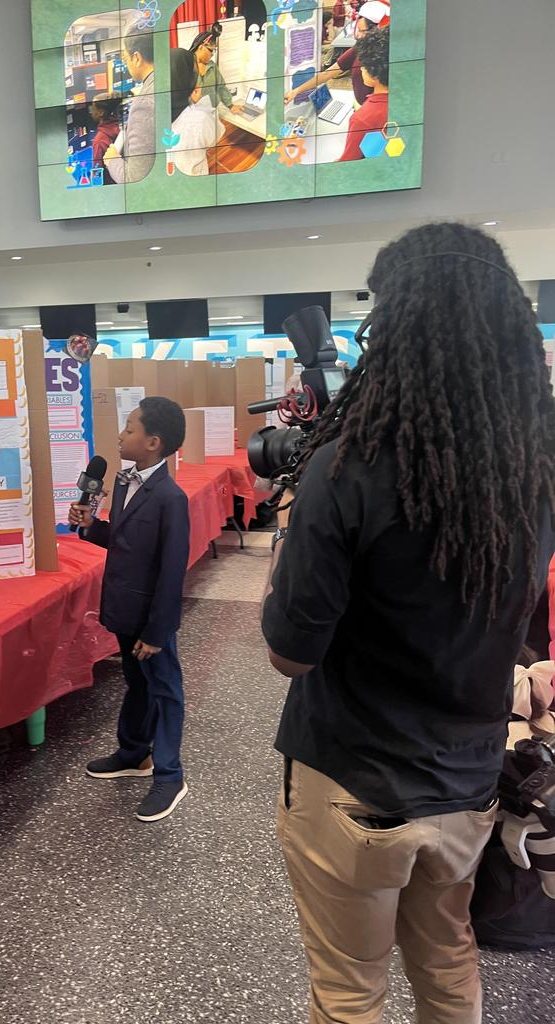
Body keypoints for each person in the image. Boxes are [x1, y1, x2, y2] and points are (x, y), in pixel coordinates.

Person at [261, 222, 555, 1023]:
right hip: (467, 783)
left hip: (353, 784)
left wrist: (290, 546)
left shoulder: (344, 467)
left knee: (349, 991)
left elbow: (291, 652)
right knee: (449, 961)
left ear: (393, 327)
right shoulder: (534, 475)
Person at [69, 397, 190, 823]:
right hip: (123, 607)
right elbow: (123, 542)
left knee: (165, 690)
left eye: (130, 428)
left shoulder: (171, 498)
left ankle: (170, 775)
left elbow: (172, 570)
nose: (121, 435)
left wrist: (157, 632)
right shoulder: (122, 483)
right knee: (137, 682)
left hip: (151, 618)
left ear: (153, 442)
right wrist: (92, 528)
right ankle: (134, 753)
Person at [284, 0, 390, 108]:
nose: (358, 35)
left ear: (379, 30)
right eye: (358, 29)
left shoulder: (386, 57)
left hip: (371, 110)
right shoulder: (360, 47)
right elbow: (327, 74)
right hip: (360, 106)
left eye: (363, 31)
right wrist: (297, 91)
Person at [104, 29, 155, 185]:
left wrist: (112, 159)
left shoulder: (143, 104)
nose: (126, 65)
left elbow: (134, 178)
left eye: (126, 58)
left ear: (137, 58)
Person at [169, 47, 223, 177]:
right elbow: (215, 136)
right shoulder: (199, 119)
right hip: (194, 177)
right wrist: (199, 105)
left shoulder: (150, 109)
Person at [338, 26, 389, 161]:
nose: (360, 69)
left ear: (375, 74)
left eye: (363, 66)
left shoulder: (362, 119)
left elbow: (347, 164)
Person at [188, 23, 244, 115]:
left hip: (211, 114)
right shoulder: (186, 66)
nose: (212, 54)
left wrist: (230, 105)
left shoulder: (212, 67)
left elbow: (221, 87)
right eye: (211, 50)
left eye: (214, 50)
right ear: (201, 47)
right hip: (191, 116)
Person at [89, 94, 122, 185]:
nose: (91, 112)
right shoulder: (121, 127)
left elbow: (97, 174)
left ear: (101, 113)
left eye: (93, 108)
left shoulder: (99, 141)